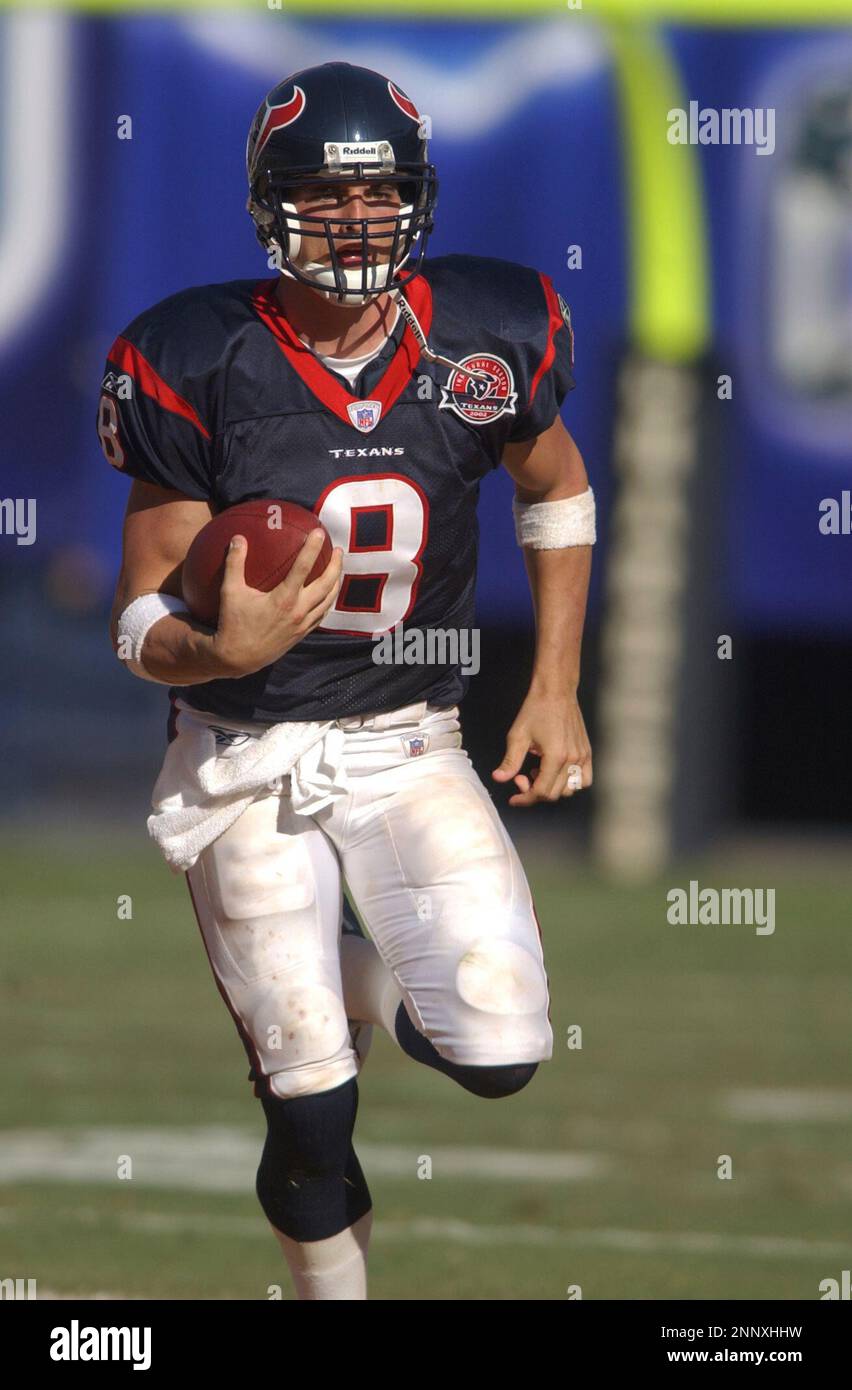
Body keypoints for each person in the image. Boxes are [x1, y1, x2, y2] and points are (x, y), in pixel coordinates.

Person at [98, 60, 595, 1301]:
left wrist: (556, 686)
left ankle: (358, 963)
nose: (355, 223)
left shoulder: (486, 334)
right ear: (275, 205)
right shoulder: (197, 352)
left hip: (408, 742)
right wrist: (214, 649)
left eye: (379, 198)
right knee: (311, 1098)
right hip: (244, 757)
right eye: (325, 196)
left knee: (500, 1046)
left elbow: (561, 489)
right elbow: (140, 606)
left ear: (417, 204)